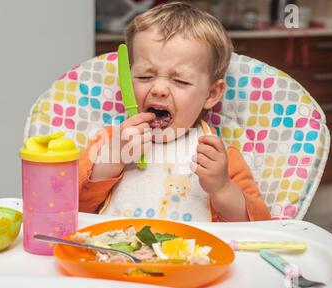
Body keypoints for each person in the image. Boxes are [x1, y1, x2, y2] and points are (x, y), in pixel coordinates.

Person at [78, 2, 271, 222]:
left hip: (192, 255)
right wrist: (107, 164)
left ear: (211, 94)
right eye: (144, 77)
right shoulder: (109, 143)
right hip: (114, 253)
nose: (158, 89)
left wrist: (222, 188)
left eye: (179, 80)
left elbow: (259, 225)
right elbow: (72, 207)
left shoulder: (219, 157)